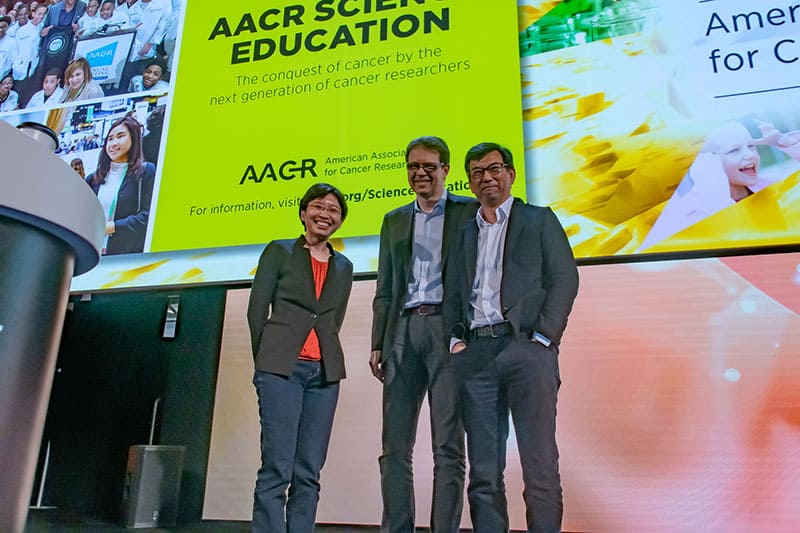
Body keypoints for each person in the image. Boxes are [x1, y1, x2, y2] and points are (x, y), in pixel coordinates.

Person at [442, 142, 579, 533]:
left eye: (494, 169)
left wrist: (544, 337)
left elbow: (564, 277)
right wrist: (456, 342)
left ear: (511, 174)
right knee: (483, 472)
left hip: (526, 352)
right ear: (469, 182)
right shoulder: (464, 232)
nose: (486, 177)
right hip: (476, 356)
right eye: (477, 172)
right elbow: (453, 293)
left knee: (539, 466)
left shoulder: (538, 219)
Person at [370, 136, 477, 532]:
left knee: (448, 446)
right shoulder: (394, 219)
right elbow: (385, 287)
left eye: (428, 166)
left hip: (449, 332)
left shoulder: (469, 212)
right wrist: (378, 341)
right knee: (394, 447)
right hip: (402, 330)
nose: (420, 173)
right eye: (413, 166)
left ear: (446, 170)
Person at [247, 183, 353, 533]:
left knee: (308, 470)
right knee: (277, 467)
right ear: (304, 212)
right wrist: (267, 359)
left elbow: (334, 320)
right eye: (318, 207)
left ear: (340, 221)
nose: (325, 214)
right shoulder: (279, 251)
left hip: (324, 374)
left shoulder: (344, 266)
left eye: (333, 210)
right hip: (280, 369)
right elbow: (257, 309)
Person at [639, 120, 800, 250]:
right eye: (733, 151)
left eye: (751, 146)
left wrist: (784, 142)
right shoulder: (693, 211)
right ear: (708, 162)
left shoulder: (769, 185)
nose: (750, 155)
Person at [85, 113, 155, 255]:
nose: (114, 143)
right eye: (110, 139)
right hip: (92, 253)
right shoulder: (93, 179)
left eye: (120, 136)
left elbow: (148, 216)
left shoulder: (145, 172)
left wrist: (113, 227)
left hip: (126, 254)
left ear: (133, 139)